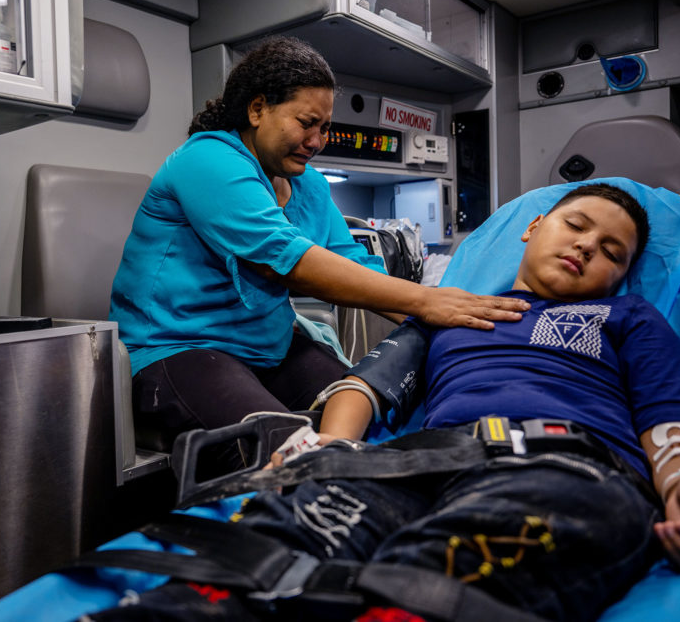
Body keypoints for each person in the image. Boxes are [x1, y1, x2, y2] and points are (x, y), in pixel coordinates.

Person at [93, 184, 680, 621]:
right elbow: (366, 386)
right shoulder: (448, 315)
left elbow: (671, 417)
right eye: (576, 225)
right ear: (535, 227)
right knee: (283, 538)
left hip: (566, 469)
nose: (585, 248)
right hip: (415, 466)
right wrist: (335, 449)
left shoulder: (624, 318)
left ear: (622, 276)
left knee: (445, 569)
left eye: (611, 252)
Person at [109, 36, 527, 454]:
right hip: (178, 352)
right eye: (306, 122)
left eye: (325, 127)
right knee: (292, 451)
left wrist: (456, 325)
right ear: (257, 109)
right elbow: (285, 262)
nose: (317, 139)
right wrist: (425, 302)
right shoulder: (207, 160)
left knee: (372, 420)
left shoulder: (308, 183)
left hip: (267, 351)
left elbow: (354, 264)